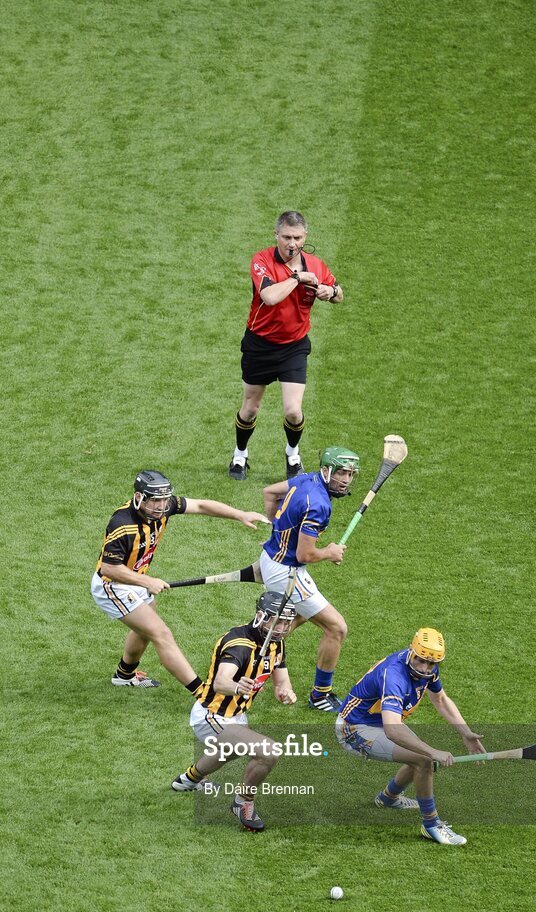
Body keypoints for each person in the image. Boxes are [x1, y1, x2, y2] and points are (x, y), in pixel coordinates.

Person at [91, 469, 268, 689]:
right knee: (161, 633)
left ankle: (124, 675)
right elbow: (109, 568)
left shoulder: (164, 508)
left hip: (134, 580)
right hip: (113, 585)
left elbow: (201, 506)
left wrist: (239, 514)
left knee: (144, 631)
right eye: (155, 500)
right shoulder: (122, 524)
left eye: (165, 500)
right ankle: (201, 692)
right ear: (139, 497)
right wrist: (147, 581)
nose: (162, 506)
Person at [335, 628, 486, 845]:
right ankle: (431, 825)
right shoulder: (394, 675)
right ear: (411, 651)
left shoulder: (428, 667)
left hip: (381, 722)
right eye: (421, 661)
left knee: (420, 757)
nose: (425, 668)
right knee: (424, 760)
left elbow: (440, 699)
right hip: (354, 729)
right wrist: (433, 752)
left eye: (431, 664)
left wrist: (466, 733)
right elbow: (393, 730)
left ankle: (388, 798)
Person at [228, 210, 343, 481]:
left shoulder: (315, 264)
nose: (292, 244)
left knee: (293, 410)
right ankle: (240, 454)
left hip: (294, 347)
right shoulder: (262, 261)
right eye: (287, 237)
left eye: (298, 238)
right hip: (260, 345)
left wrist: (332, 292)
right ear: (276, 236)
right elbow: (269, 296)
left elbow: (339, 293)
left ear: (306, 237)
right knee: (250, 408)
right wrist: (296, 278)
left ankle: (293, 454)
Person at [172, 591, 297, 832]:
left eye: (286, 622)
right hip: (212, 715)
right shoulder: (240, 645)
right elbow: (221, 682)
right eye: (277, 621)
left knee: (228, 754)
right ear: (261, 617)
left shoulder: (276, 643)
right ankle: (243, 802)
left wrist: (285, 692)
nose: (282, 628)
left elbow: (282, 681)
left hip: (237, 716)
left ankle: (188, 780)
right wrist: (237, 686)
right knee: (268, 752)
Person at [260, 445, 359, 712]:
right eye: (342, 474)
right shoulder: (319, 504)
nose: (346, 481)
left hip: (271, 558)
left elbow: (269, 493)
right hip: (287, 572)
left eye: (350, 475)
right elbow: (304, 554)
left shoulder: (306, 478)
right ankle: (320, 695)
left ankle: (257, 655)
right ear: (327, 470)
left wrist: (276, 530)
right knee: (336, 628)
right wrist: (329, 552)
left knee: (300, 615)